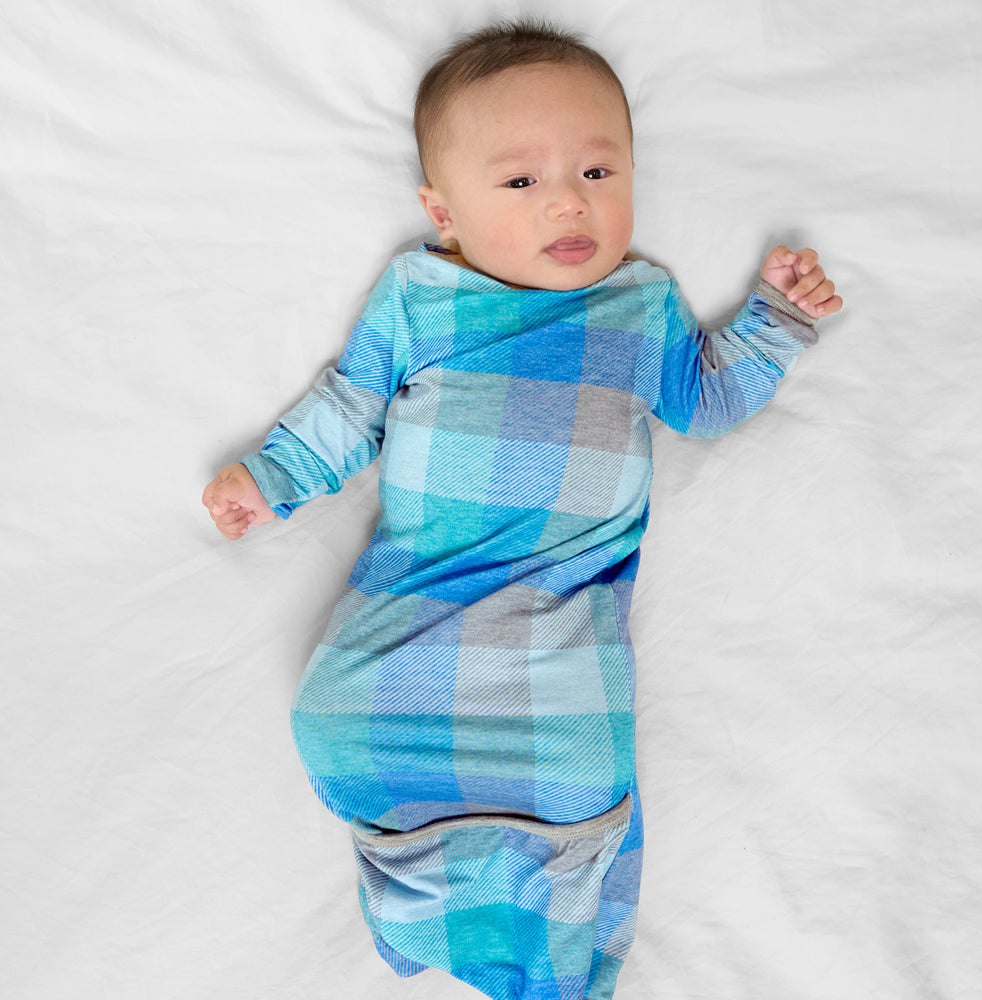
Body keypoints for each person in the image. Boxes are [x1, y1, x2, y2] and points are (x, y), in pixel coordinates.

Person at [202, 18, 841, 1000]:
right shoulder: (421, 296)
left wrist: (774, 323)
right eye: (520, 182)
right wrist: (269, 478)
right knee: (338, 726)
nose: (564, 203)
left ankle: (545, 959)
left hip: (552, 619)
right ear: (442, 209)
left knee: (578, 781)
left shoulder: (641, 305)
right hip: (413, 608)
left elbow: (704, 398)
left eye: (597, 172)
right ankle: (417, 895)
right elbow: (349, 405)